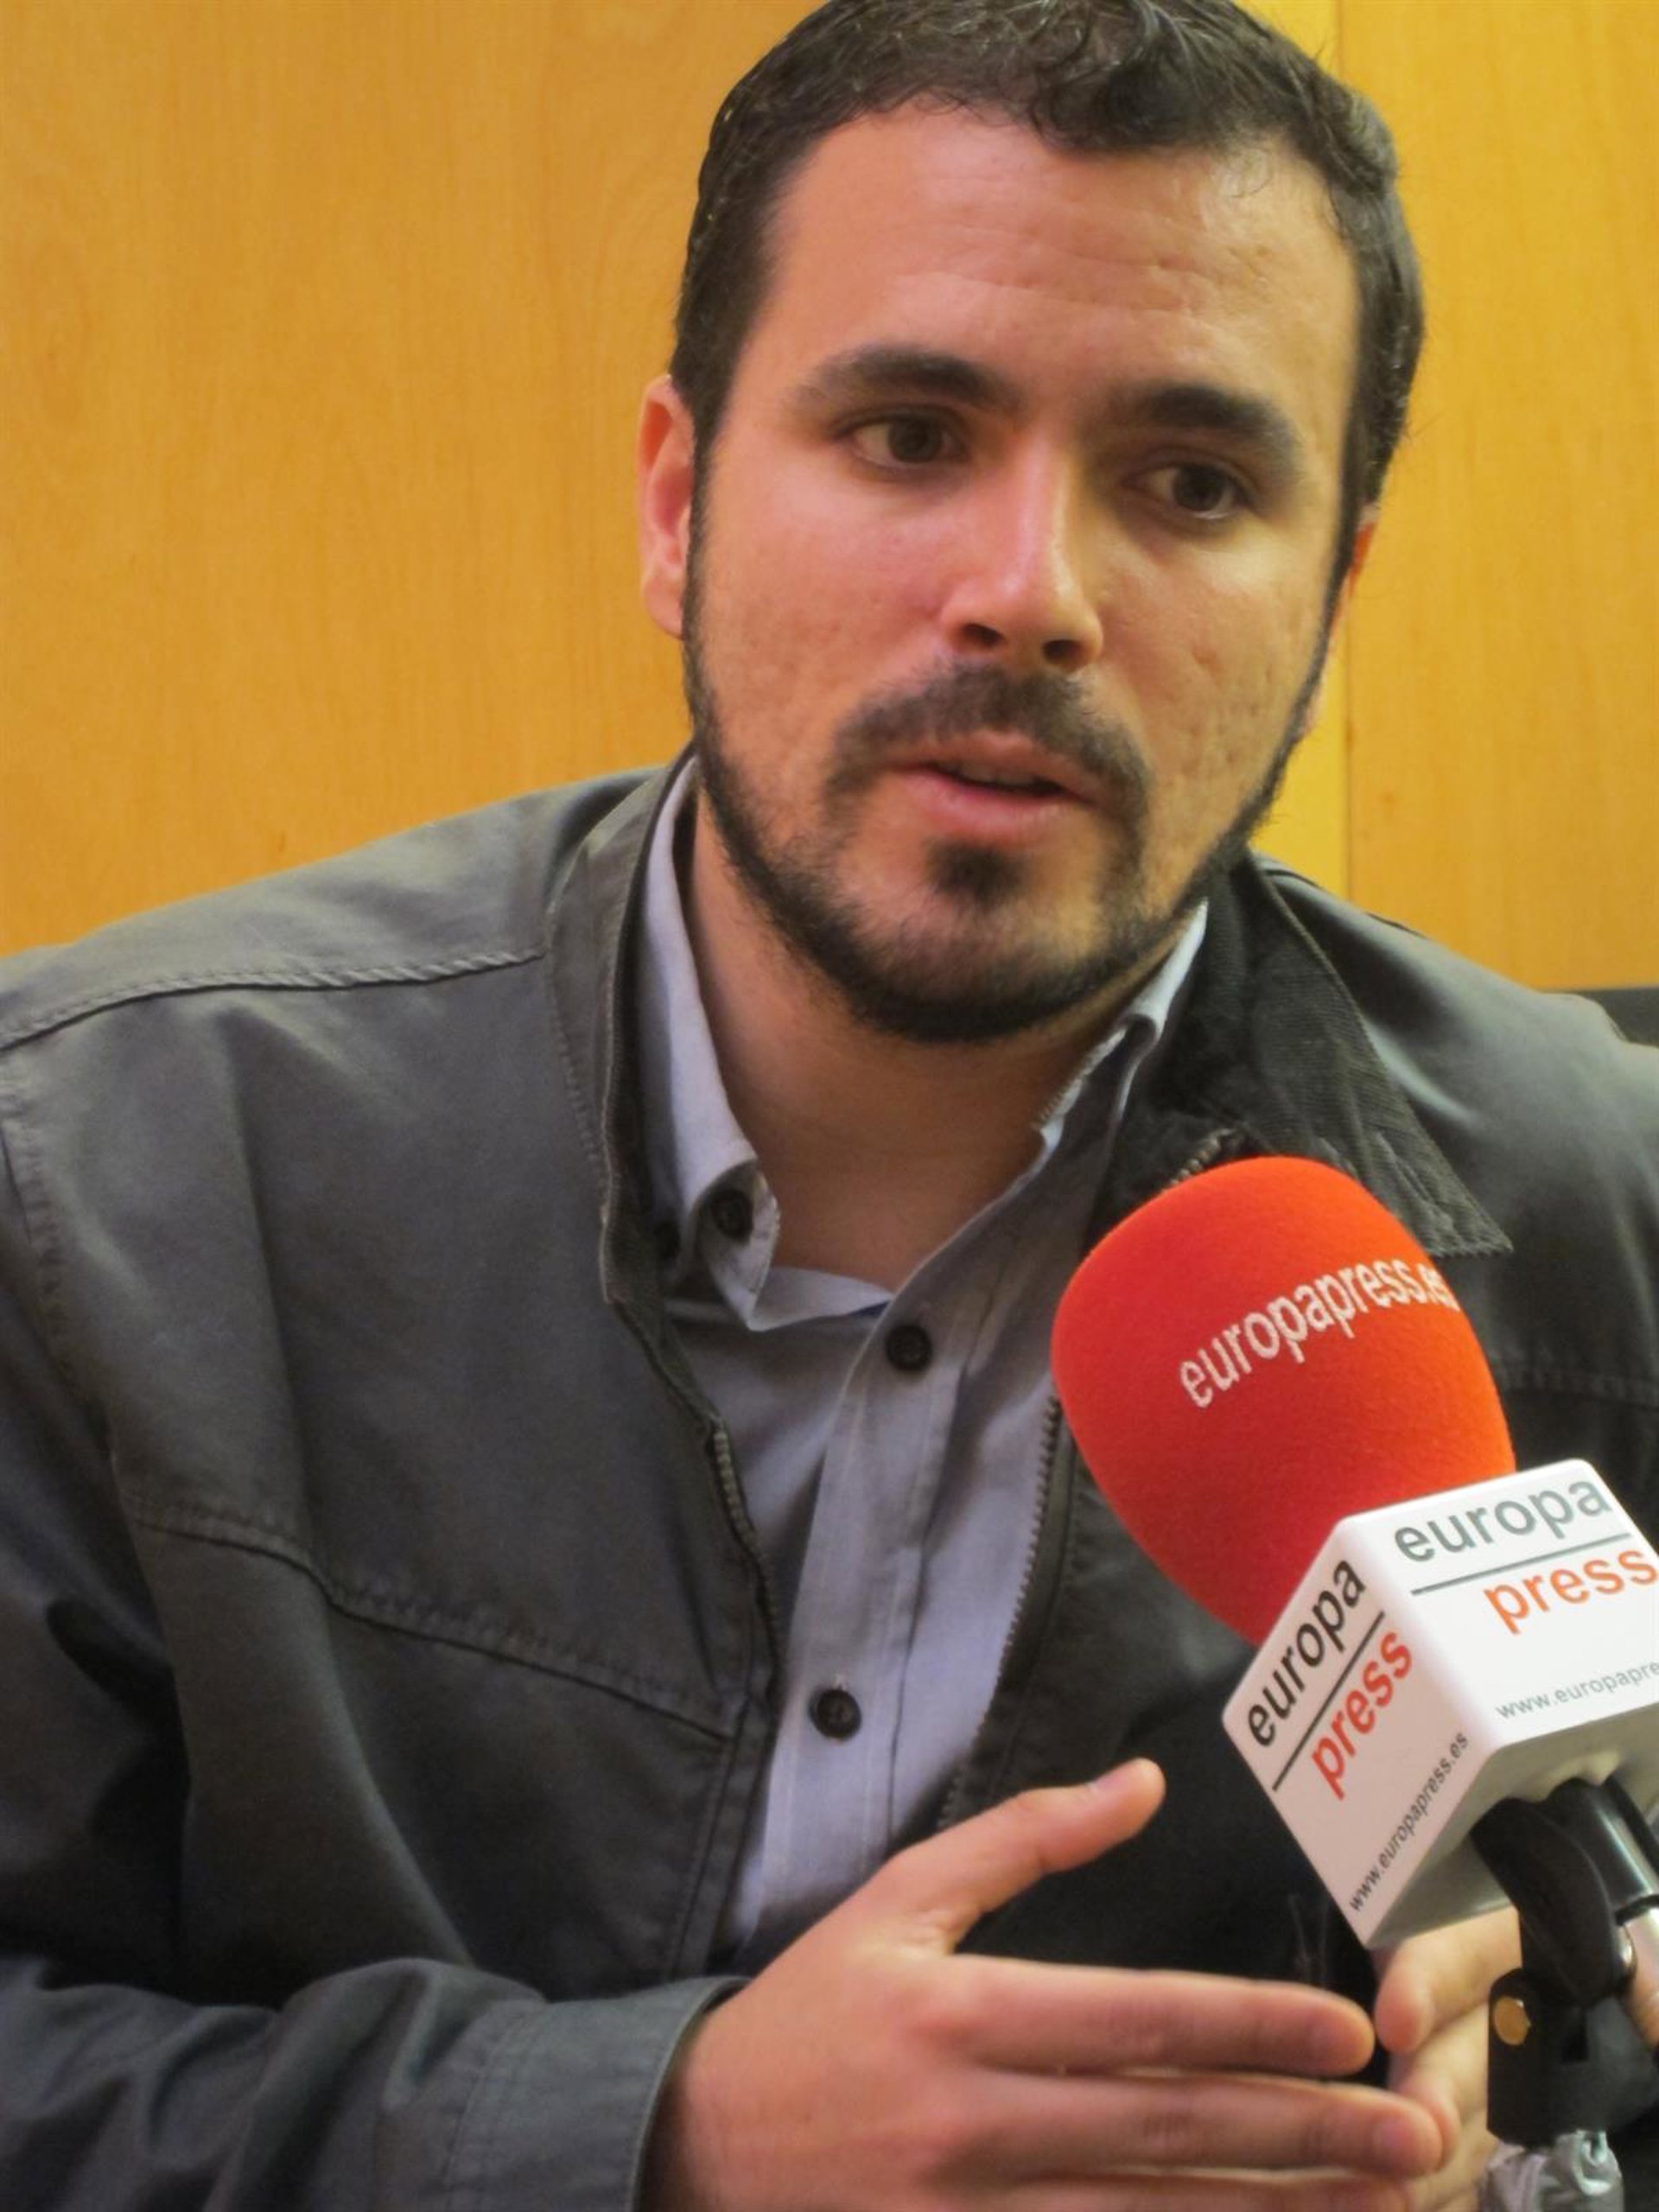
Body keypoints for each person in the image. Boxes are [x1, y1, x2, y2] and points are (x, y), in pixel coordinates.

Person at [0, 0, 1654, 2204]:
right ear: (676, 502)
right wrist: (652, 2135)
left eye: (1192, 483)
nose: (1029, 595)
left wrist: (1573, 2098)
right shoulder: (97, 1177)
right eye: (906, 433)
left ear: (1334, 590)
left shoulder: (1600, 1206)